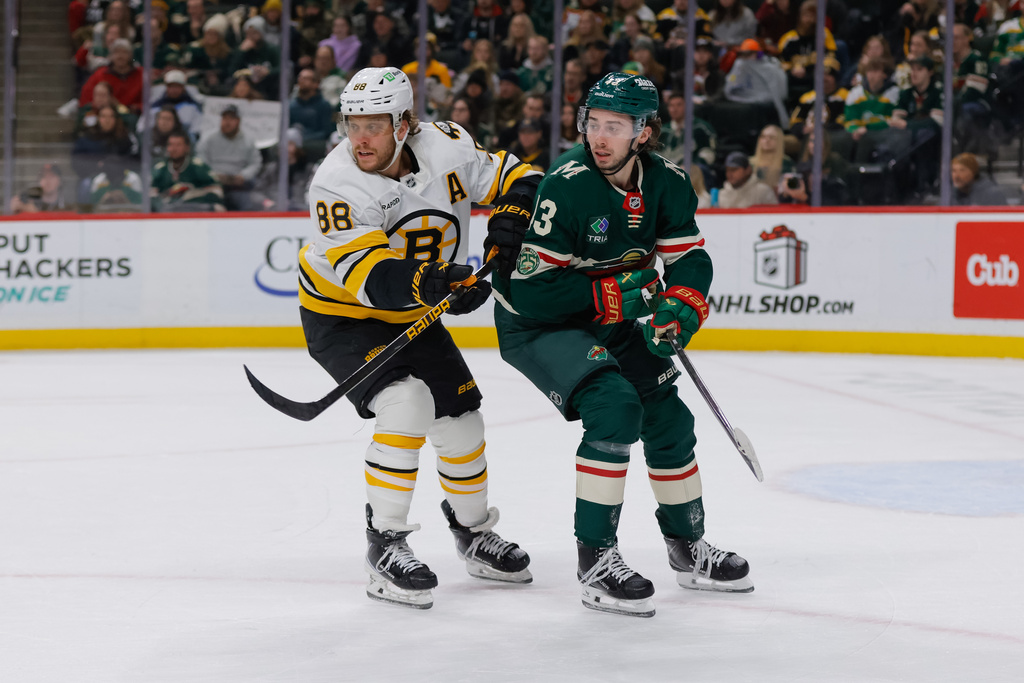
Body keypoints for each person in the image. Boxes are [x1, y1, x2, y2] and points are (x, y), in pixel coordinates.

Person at [492, 72, 752, 618]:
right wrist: (616, 297)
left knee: (670, 421)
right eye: (593, 124)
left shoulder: (670, 183)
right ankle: (595, 561)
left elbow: (689, 259)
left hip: (605, 316)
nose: (599, 138)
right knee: (615, 408)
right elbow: (531, 292)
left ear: (644, 133)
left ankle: (688, 549)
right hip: (537, 324)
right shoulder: (565, 184)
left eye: (615, 126)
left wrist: (681, 305)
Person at [299, 67, 540, 609]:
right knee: (406, 402)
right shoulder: (336, 185)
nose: (359, 138)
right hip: (344, 315)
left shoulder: (448, 146)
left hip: (416, 307)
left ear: (404, 124)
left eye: (374, 125)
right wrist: (439, 282)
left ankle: (473, 532)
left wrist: (511, 218)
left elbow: (521, 176)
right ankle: (384, 542)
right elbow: (375, 281)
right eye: (351, 124)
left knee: (462, 422)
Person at [197, 104, 263, 211]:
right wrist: (213, 174)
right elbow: (201, 160)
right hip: (213, 183)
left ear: (238, 121)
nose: (227, 122)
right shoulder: (209, 139)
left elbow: (255, 163)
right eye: (225, 118)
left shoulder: (248, 141)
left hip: (239, 185)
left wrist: (243, 176)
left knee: (248, 202)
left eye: (231, 119)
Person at [151, 131, 225, 211]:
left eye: (178, 145)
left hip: (194, 210)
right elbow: (150, 197)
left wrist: (191, 198)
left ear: (187, 148)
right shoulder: (160, 168)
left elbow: (217, 192)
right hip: (167, 212)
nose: (173, 149)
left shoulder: (198, 167)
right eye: (170, 145)